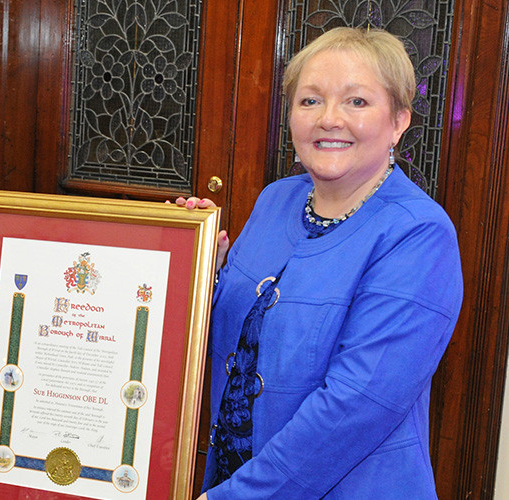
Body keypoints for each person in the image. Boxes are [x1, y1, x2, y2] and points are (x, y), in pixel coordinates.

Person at [184, 27, 463, 498]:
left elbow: (354, 407)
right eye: (310, 101)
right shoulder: (275, 200)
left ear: (399, 121)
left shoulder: (418, 234)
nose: (329, 119)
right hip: (233, 475)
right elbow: (238, 335)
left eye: (357, 102)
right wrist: (193, 268)